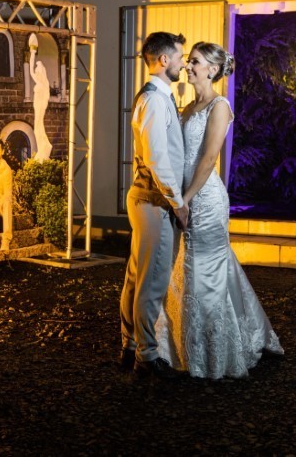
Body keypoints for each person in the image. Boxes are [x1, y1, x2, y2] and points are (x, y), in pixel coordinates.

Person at [155, 42, 284, 379]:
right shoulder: (186, 107)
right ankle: (190, 344)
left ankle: (214, 354)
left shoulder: (219, 106)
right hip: (183, 197)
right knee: (194, 269)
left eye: (195, 62)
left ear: (212, 70)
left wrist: (185, 200)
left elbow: (209, 158)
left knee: (206, 274)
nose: (188, 66)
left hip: (206, 199)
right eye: (189, 61)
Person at [119, 32, 189, 378]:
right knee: (151, 280)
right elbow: (157, 158)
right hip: (154, 201)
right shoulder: (154, 100)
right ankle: (146, 357)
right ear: (164, 60)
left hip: (148, 199)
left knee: (138, 275)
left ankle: (130, 345)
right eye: (180, 57)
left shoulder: (157, 98)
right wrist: (177, 203)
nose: (183, 63)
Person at [30, 44, 53, 161]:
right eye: (36, 72)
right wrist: (32, 54)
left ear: (42, 73)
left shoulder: (43, 85)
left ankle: (44, 148)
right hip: (36, 106)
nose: (37, 74)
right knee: (37, 128)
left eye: (39, 72)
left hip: (40, 107)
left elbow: (44, 99)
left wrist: (42, 106)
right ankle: (43, 148)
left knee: (38, 128)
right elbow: (30, 71)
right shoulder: (38, 82)